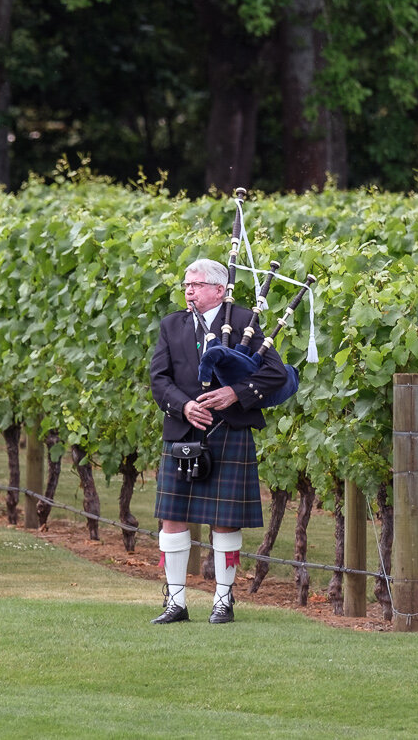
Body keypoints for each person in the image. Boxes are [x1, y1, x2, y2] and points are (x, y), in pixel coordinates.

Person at [147, 256, 291, 623]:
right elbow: (159, 379)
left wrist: (235, 394)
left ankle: (222, 602)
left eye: (195, 285)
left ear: (219, 290)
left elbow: (275, 374)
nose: (188, 291)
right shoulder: (171, 325)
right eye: (185, 285)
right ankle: (175, 602)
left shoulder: (244, 322)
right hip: (183, 432)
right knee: (172, 518)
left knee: (225, 521)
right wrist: (184, 406)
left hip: (228, 431)